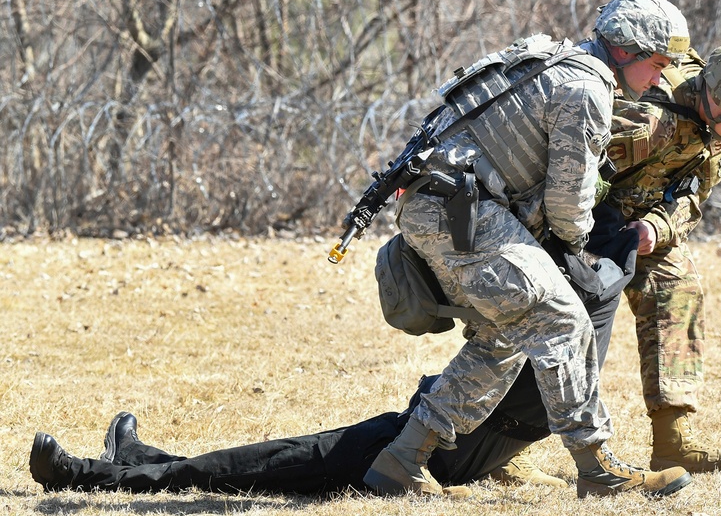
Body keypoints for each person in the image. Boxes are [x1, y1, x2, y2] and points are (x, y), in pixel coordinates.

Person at [28, 212, 655, 497]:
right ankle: (121, 465)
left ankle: (103, 473)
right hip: (434, 443)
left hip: (426, 452)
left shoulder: (563, 315)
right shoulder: (577, 317)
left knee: (269, 466)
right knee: (269, 465)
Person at [363, 0, 696, 499]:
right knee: (562, 316)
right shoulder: (586, 89)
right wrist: (582, 248)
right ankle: (596, 468)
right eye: (656, 65)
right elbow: (568, 203)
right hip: (463, 210)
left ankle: (402, 459)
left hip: (444, 204)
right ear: (626, 51)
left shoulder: (550, 56)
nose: (659, 80)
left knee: (504, 334)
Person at [602, 40, 721, 473]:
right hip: (579, 224)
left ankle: (673, 443)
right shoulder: (645, 105)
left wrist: (657, 228)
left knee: (677, 287)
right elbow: (567, 165)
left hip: (641, 228)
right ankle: (503, 446)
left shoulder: (719, 128)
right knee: (555, 318)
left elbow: (693, 197)